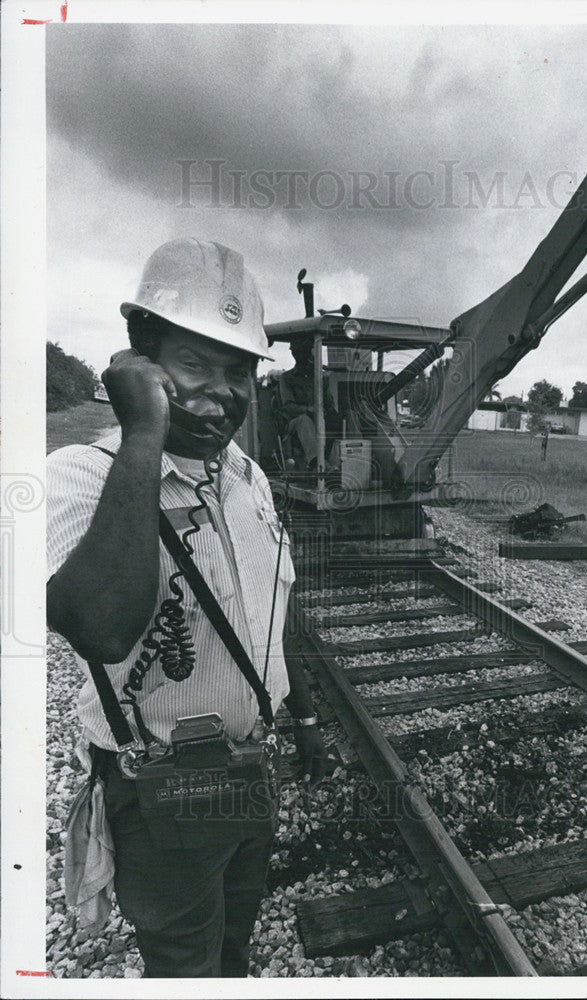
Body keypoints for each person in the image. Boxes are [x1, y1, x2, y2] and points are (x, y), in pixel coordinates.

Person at [47, 237, 329, 978]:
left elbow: (277, 603)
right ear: (137, 361)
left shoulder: (246, 477)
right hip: (160, 789)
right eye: (192, 364)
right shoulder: (80, 477)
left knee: (233, 939)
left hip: (246, 769)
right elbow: (102, 627)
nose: (219, 392)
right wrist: (146, 435)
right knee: (183, 962)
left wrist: (300, 715)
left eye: (236, 370)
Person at [276, 338, 341, 469]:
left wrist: (331, 412)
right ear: (294, 355)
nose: (306, 356)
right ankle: (318, 464)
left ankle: (349, 460)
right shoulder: (287, 378)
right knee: (304, 421)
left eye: (307, 352)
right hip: (294, 424)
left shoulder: (319, 377)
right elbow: (288, 407)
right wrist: (309, 409)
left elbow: (328, 402)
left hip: (319, 419)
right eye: (300, 353)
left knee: (342, 419)